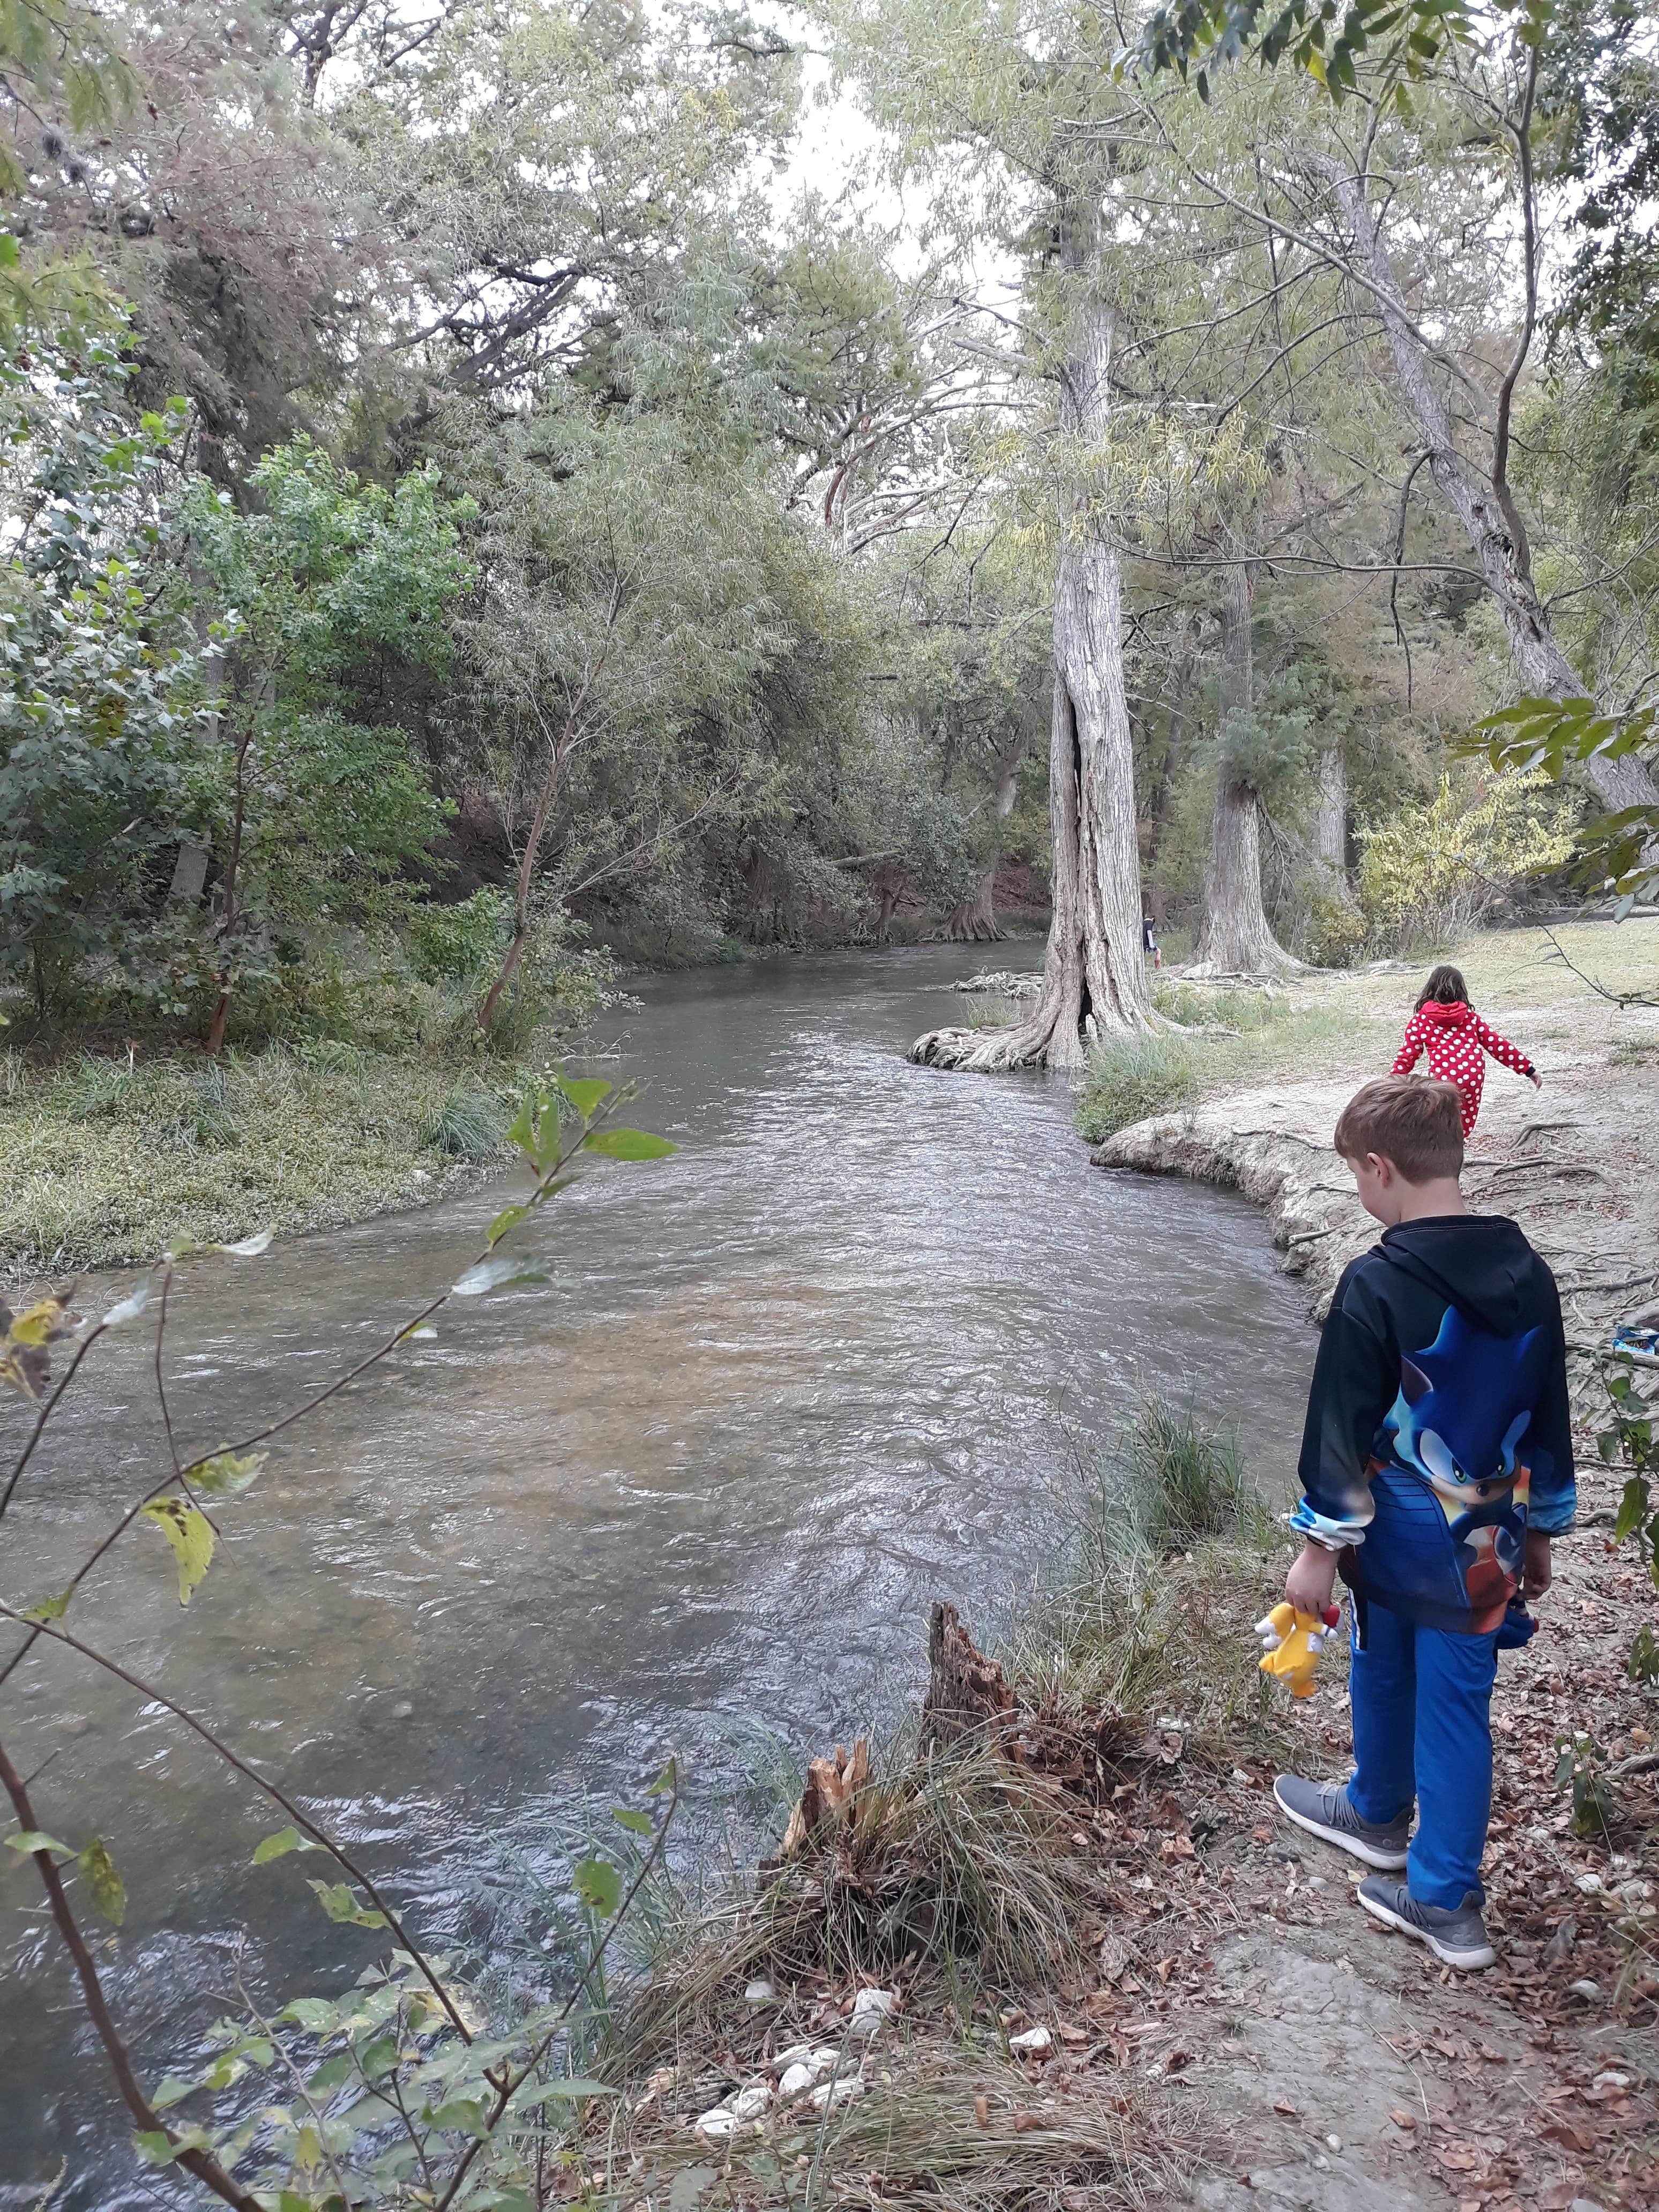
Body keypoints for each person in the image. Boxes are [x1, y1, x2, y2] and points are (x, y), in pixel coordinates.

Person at [1272, 1075, 1575, 1971]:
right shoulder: (1529, 1274)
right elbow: (1548, 1416)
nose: (1359, 1192)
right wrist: (1542, 1528)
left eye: (1354, 1176)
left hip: (1396, 1532)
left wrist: (1317, 1552)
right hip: (1488, 1538)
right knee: (1453, 1703)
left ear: (1379, 1169)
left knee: (1387, 1665)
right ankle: (1394, 1832)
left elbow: (1338, 1429)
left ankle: (1427, 1878)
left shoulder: (1376, 1282)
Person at [1392, 964, 1541, 1137]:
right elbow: (1498, 1045)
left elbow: (1407, 1056)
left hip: (1443, 1079)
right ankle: (1458, 1143)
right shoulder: (1470, 1017)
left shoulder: (1421, 1020)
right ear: (1460, 990)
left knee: (1441, 1122)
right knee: (1461, 1125)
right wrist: (1528, 1069)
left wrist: (1390, 1083)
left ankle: (1441, 1147)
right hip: (1472, 1077)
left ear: (1430, 989)